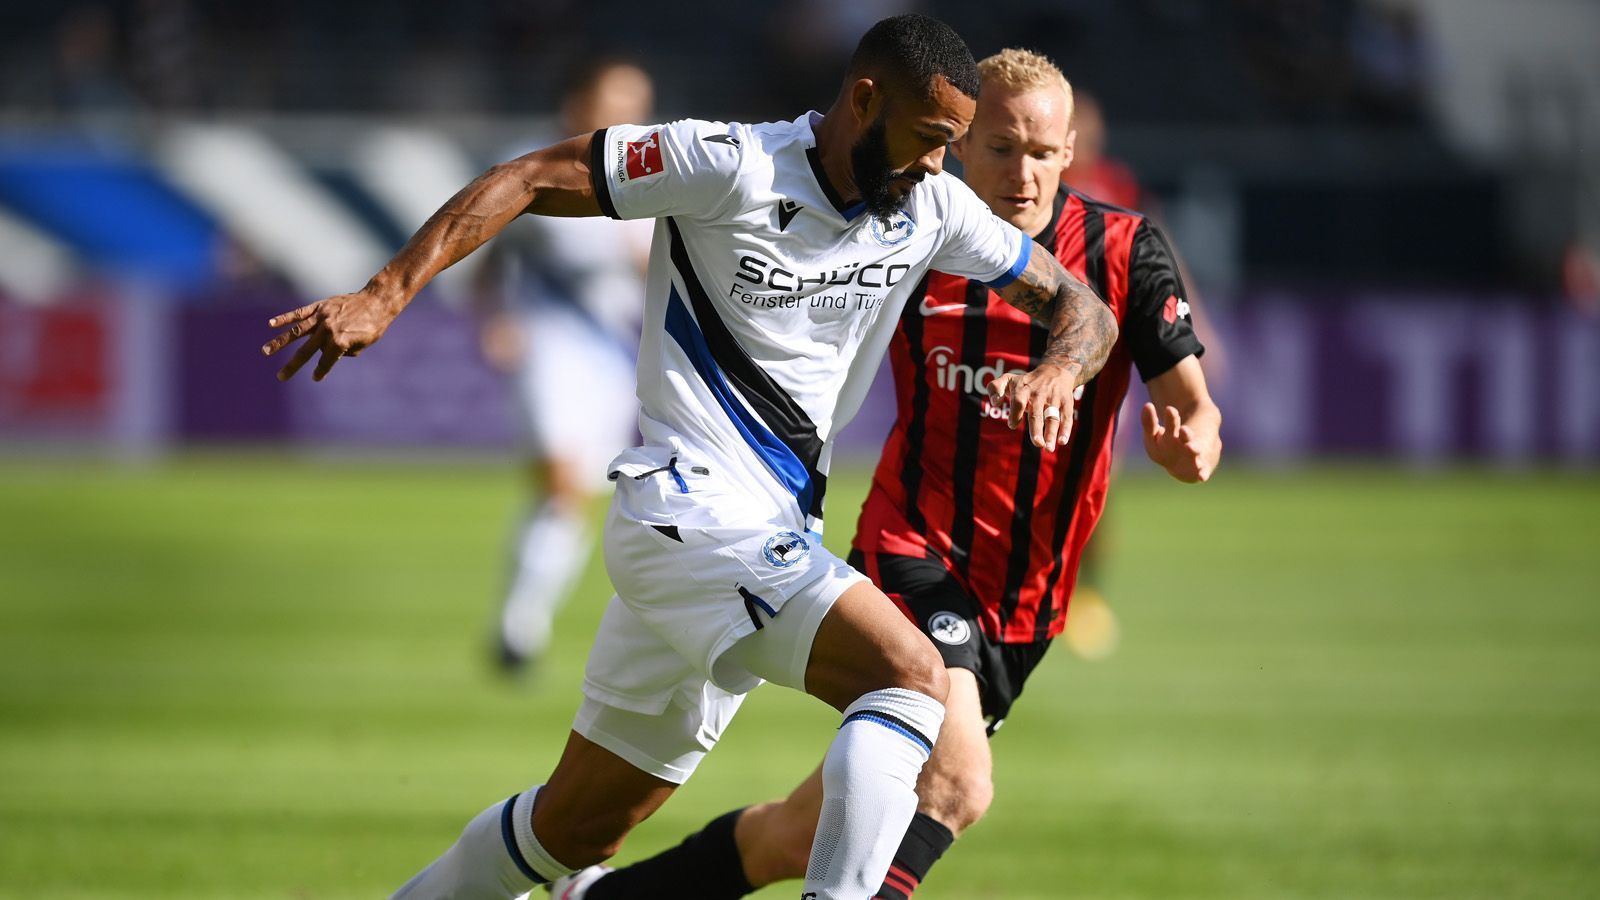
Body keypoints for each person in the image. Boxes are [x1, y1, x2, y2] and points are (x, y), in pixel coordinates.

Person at [261, 16, 1117, 900]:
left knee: (574, 828)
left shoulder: (929, 208)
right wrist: (383, 293)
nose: (939, 164)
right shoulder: (731, 164)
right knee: (910, 680)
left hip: (763, 531)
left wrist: (1058, 371)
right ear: (866, 101)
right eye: (930, 139)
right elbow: (528, 176)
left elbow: (1083, 309)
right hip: (690, 513)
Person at [554, 48, 1221, 900]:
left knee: (803, 829)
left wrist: (1190, 443)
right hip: (913, 547)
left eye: (1044, 152)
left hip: (1027, 595)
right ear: (958, 140)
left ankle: (603, 897)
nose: (1023, 174)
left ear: (1071, 149)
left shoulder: (1126, 249)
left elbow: (1192, 404)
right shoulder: (911, 228)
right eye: (1001, 148)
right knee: (957, 784)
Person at [475, 60, 656, 674]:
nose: (628, 112)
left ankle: (523, 610)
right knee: (558, 480)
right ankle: (519, 630)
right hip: (549, 340)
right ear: (578, 102)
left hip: (613, 353)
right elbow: (484, 252)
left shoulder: (656, 173)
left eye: (637, 100)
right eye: (616, 97)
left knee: (571, 496)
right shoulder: (530, 163)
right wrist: (494, 318)